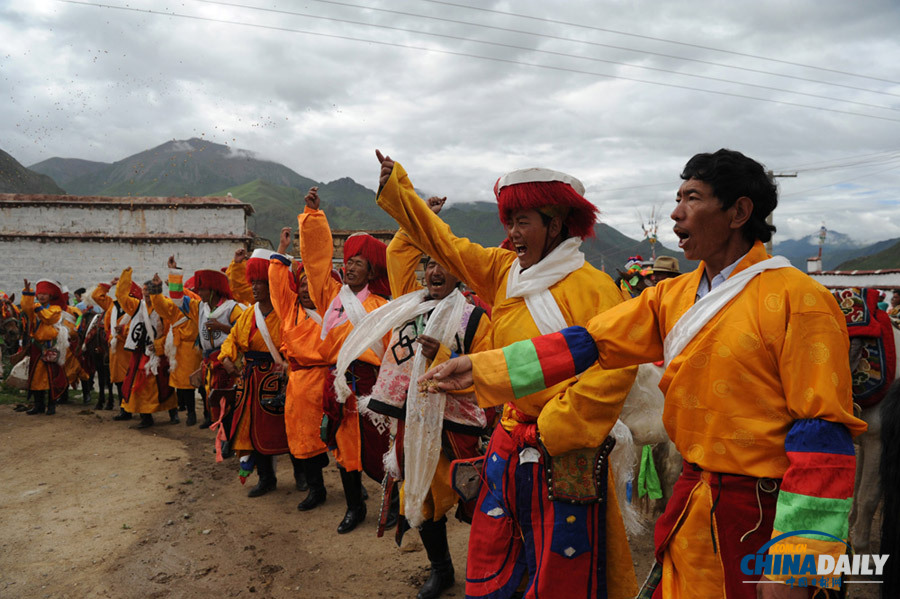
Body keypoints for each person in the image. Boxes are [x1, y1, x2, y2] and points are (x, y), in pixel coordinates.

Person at [422, 149, 868, 599]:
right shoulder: (672, 296)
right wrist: (483, 368)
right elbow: (589, 344)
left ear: (739, 211)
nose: (675, 212)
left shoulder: (799, 300)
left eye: (691, 198)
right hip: (693, 501)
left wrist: (798, 563)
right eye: (677, 198)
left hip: (761, 512)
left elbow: (822, 434)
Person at [375, 151, 639, 599]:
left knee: (564, 566)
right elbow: (445, 244)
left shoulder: (596, 288)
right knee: (498, 551)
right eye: (508, 222)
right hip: (510, 439)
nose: (511, 234)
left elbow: (615, 371)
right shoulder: (502, 273)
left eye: (522, 222)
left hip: (566, 447)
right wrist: (400, 191)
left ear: (555, 225)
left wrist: (556, 426)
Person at [335, 203, 492, 599]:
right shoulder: (410, 302)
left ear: (461, 270)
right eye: (429, 263)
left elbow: (487, 374)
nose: (434, 272)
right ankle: (442, 569)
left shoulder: (475, 319)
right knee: (419, 499)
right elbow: (396, 254)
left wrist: (442, 357)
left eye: (443, 263)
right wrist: (415, 216)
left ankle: (492, 569)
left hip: (455, 426)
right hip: (411, 419)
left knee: (475, 497)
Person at [299, 186, 392, 534]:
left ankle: (392, 502)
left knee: (381, 449)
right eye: (348, 262)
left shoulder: (381, 306)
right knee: (343, 450)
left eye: (358, 263)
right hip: (337, 386)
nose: (349, 267)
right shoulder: (331, 298)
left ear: (371, 272)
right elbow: (316, 261)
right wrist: (312, 219)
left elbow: (390, 354)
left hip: (371, 388)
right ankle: (355, 507)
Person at [268, 228, 333, 511]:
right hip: (299, 383)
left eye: (311, 284)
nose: (306, 289)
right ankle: (315, 488)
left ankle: (353, 487)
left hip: (328, 380)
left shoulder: (332, 309)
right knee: (303, 438)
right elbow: (277, 283)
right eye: (302, 284)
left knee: (340, 438)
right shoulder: (289, 308)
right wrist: (282, 251)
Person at [218, 249, 291, 497]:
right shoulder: (249, 314)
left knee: (287, 428)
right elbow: (232, 340)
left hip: (276, 378)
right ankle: (266, 478)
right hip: (250, 381)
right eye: (254, 282)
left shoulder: (285, 315)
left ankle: (303, 474)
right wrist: (226, 357)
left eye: (261, 282)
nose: (256, 287)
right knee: (251, 429)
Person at [115, 268, 178, 428]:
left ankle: (173, 412)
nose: (146, 294)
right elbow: (121, 297)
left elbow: (171, 331)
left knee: (163, 384)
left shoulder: (164, 306)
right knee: (139, 383)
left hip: (158, 351)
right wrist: (125, 278)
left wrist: (158, 345)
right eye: (144, 291)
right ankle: (146, 416)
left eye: (149, 291)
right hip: (140, 352)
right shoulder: (137, 306)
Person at [149, 257, 204, 426]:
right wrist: (156, 289)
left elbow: (182, 295)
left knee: (202, 383)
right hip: (180, 348)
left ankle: (208, 414)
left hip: (195, 347)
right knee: (183, 384)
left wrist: (174, 272)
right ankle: (191, 413)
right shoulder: (174, 307)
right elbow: (160, 304)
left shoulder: (197, 303)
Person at [92, 278, 140, 416]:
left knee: (130, 379)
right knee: (118, 380)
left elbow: (137, 328)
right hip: (114, 349)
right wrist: (108, 285)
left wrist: (123, 330)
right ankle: (123, 408)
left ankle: (132, 408)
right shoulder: (112, 305)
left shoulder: (135, 307)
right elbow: (96, 296)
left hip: (128, 349)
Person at [20, 279, 68, 415]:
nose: (41, 296)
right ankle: (38, 405)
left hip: (50, 347)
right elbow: (26, 307)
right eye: (39, 293)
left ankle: (51, 405)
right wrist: (28, 293)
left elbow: (48, 319)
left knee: (51, 377)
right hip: (36, 346)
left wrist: (37, 308)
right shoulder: (34, 308)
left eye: (45, 294)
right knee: (35, 377)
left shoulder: (55, 309)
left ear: (50, 296)